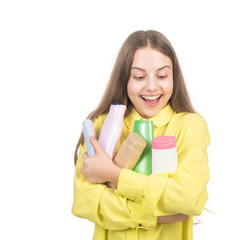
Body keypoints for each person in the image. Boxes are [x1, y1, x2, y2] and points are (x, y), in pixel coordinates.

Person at [71, 30, 210, 240]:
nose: (152, 87)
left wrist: (113, 175)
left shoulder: (190, 127)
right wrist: (157, 214)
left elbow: (188, 198)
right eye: (139, 77)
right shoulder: (101, 125)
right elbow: (84, 203)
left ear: (174, 77)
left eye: (162, 76)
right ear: (124, 78)